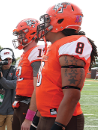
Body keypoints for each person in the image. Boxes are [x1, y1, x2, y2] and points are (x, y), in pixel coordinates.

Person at [36, 2, 97, 130]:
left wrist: (59, 125)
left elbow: (72, 95)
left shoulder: (71, 44)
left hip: (62, 119)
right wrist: (36, 118)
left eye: (48, 20)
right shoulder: (55, 46)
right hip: (47, 116)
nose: (43, 25)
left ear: (60, 22)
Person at [12, 18, 44, 130]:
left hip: (29, 105)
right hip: (20, 104)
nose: (18, 38)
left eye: (21, 34)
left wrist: (29, 118)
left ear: (32, 33)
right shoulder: (25, 54)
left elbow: (38, 89)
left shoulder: (36, 52)